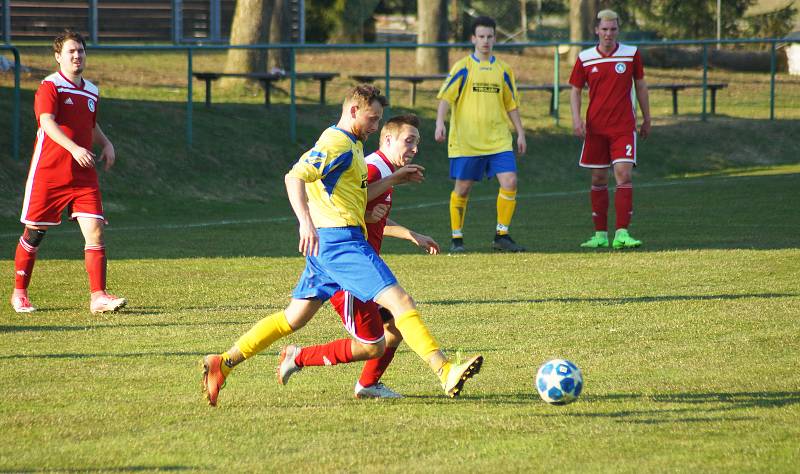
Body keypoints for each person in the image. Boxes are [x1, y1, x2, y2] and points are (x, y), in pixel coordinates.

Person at [201, 86, 482, 407]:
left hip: (330, 245)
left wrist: (392, 183)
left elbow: (353, 194)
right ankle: (444, 370)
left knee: (293, 319)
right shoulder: (336, 143)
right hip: (341, 243)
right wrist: (304, 221)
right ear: (352, 111)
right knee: (400, 302)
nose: (376, 126)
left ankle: (224, 362)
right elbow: (294, 176)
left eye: (378, 119)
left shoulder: (352, 145)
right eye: (372, 118)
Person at [275, 114, 439, 399]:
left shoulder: (383, 171)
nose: (414, 149)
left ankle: (368, 385)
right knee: (370, 343)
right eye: (408, 141)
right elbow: (343, 210)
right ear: (387, 139)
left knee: (395, 327)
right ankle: (298, 357)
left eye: (417, 143)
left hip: (363, 266)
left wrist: (411, 234)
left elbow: (365, 216)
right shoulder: (374, 171)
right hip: (350, 267)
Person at [10, 30, 127, 314]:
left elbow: (90, 123)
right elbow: (47, 123)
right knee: (35, 233)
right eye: (71, 52)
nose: (77, 56)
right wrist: (74, 148)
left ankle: (98, 297)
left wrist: (107, 142)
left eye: (81, 51)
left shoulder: (91, 91)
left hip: (83, 176)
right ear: (58, 56)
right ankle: (19, 293)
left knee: (95, 231)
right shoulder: (50, 86)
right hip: (50, 173)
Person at [435, 16, 527, 253]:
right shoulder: (463, 67)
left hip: (498, 140)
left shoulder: (503, 70)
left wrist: (520, 133)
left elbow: (511, 104)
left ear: (495, 38)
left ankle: (502, 235)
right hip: (468, 142)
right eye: (481, 36)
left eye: (490, 36)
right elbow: (446, 97)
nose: (486, 41)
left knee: (510, 181)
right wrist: (439, 123)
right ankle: (457, 238)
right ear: (473, 39)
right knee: (462, 189)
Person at [569, 9, 651, 250]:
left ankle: (622, 233)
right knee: (598, 178)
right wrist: (576, 120)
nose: (608, 34)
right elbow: (575, 90)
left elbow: (641, 86)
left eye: (613, 29)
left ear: (618, 30)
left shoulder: (631, 54)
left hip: (623, 127)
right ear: (596, 30)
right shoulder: (585, 58)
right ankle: (600, 235)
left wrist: (647, 118)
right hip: (595, 128)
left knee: (624, 174)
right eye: (604, 29)